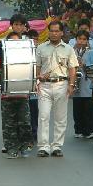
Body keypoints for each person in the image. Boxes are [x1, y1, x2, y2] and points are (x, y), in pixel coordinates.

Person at [36, 21, 78, 157]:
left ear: (61, 33)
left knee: (60, 118)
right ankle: (43, 146)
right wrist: (38, 78)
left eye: (56, 31)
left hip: (62, 84)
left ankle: (56, 146)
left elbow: (72, 69)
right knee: (43, 116)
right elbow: (36, 68)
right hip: (44, 86)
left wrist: (71, 85)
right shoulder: (41, 48)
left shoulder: (68, 49)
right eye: (51, 31)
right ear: (48, 32)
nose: (54, 33)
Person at [0, 32, 34, 158]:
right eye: (12, 42)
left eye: (17, 41)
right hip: (7, 96)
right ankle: (11, 148)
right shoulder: (2, 59)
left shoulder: (28, 57)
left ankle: (25, 146)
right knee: (9, 124)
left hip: (23, 96)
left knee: (25, 122)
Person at [72, 30, 93, 138]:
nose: (81, 41)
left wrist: (83, 64)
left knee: (88, 109)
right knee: (77, 108)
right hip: (76, 82)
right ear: (76, 39)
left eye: (84, 39)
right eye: (79, 39)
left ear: (87, 41)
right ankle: (78, 129)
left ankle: (88, 130)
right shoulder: (72, 51)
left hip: (86, 82)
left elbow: (92, 67)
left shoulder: (91, 52)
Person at [26, 29, 39, 141]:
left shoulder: (40, 52)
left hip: (36, 88)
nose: (34, 42)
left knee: (35, 110)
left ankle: (35, 132)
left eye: (36, 40)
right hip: (24, 87)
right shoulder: (23, 52)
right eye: (32, 39)